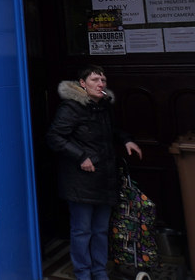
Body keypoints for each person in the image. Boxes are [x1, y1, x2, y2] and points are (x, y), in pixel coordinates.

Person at [46, 65, 143, 280]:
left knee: (100, 230)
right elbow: (55, 137)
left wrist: (126, 140)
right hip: (80, 181)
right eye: (95, 80)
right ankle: (83, 272)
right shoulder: (71, 108)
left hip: (104, 178)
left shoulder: (104, 106)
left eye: (103, 80)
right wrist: (81, 156)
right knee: (82, 231)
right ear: (82, 83)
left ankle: (99, 271)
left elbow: (111, 130)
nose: (101, 84)